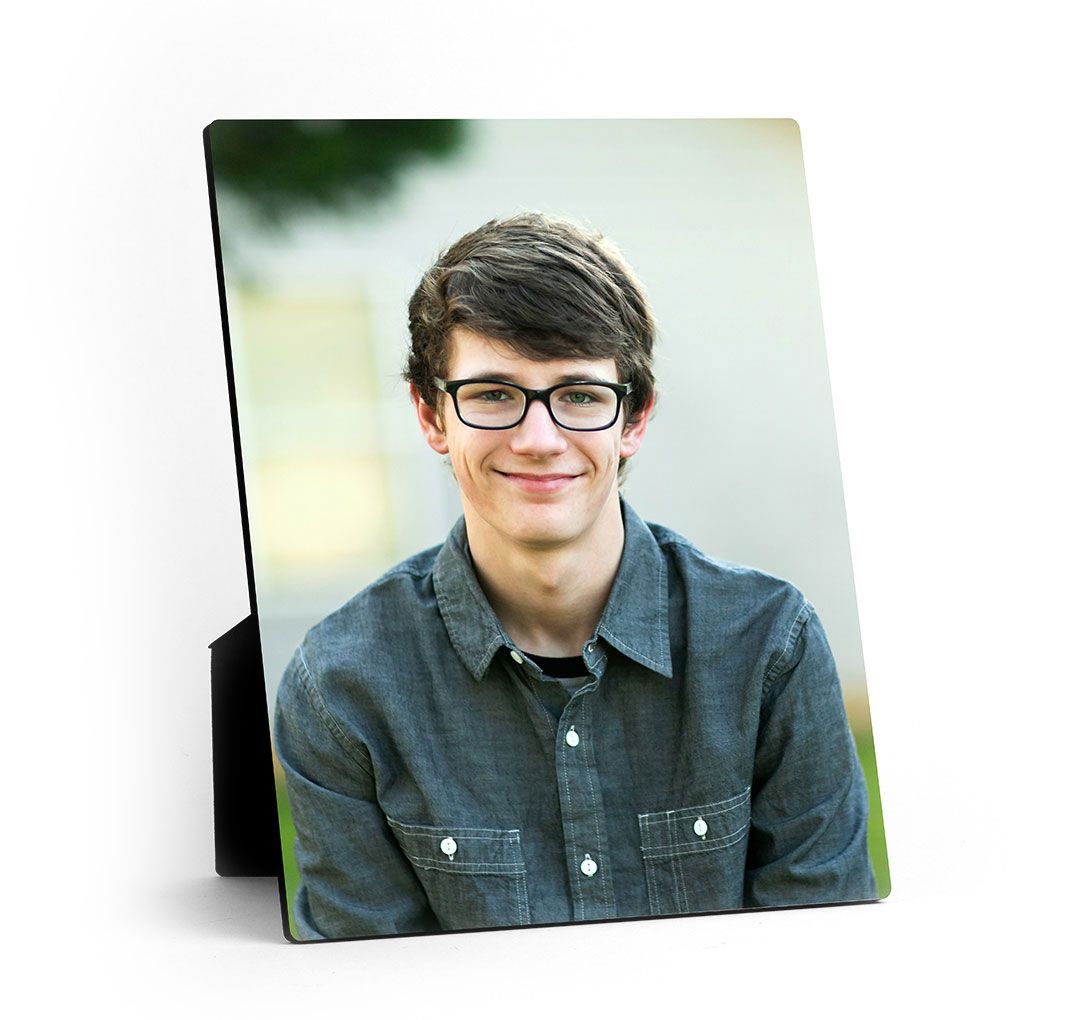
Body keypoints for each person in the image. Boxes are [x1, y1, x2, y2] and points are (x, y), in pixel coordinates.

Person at [274, 212, 877, 940]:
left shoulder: (769, 647)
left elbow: (823, 965)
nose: (538, 439)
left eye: (580, 396)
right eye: (493, 394)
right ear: (432, 415)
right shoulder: (341, 687)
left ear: (635, 418)